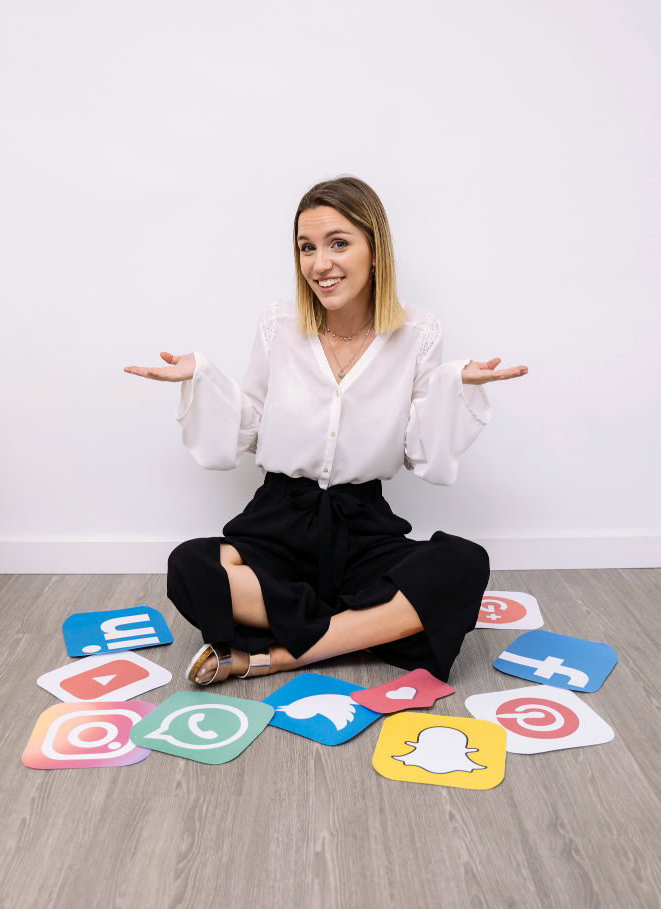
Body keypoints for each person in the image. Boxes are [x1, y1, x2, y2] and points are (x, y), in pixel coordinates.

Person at [125, 177, 527, 686]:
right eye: (306, 248)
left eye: (338, 243)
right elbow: (249, 424)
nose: (320, 264)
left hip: (364, 526)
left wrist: (453, 387)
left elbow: (420, 452)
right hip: (278, 522)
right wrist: (202, 377)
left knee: (464, 563)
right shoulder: (278, 324)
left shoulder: (419, 334)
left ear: (375, 250)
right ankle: (361, 628)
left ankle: (279, 655)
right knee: (190, 566)